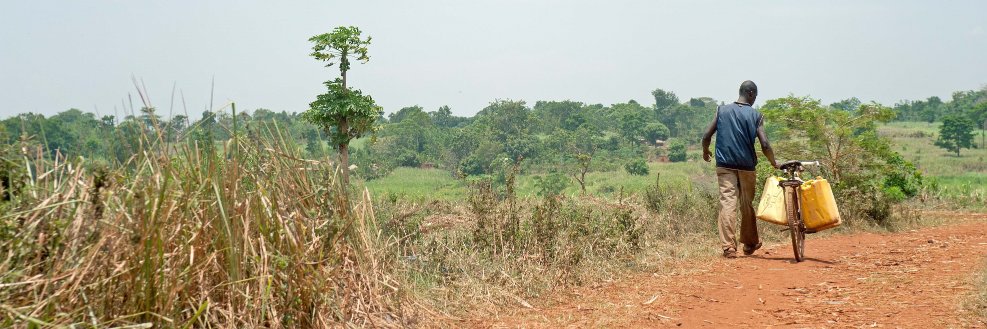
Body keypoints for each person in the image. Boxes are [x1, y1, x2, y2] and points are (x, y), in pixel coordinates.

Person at [701, 80, 778, 258]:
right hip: (747, 166)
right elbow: (765, 144)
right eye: (755, 96)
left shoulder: (722, 111)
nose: (754, 100)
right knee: (746, 204)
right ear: (751, 94)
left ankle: (729, 247)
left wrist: (706, 152)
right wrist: (774, 162)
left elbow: (706, 136)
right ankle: (749, 243)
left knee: (728, 203)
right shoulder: (756, 115)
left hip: (725, 165)